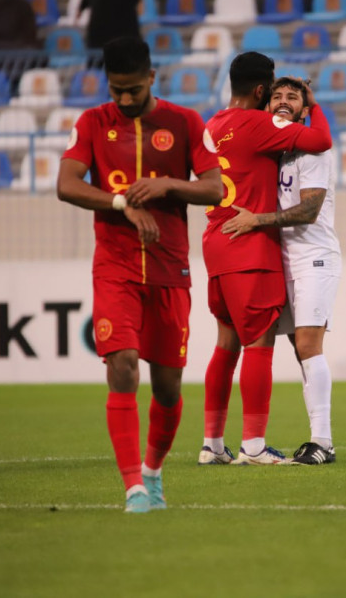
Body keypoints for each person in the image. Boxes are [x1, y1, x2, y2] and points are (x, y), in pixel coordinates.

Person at [56, 36, 223, 513]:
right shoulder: (92, 122)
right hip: (116, 267)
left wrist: (168, 184)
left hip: (171, 269)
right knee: (122, 362)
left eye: (133, 89)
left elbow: (215, 188)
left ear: (152, 77)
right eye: (116, 91)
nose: (124, 100)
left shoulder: (186, 122)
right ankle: (132, 487)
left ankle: (152, 474)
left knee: (168, 388)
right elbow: (66, 184)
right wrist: (119, 203)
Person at [198, 52, 333, 466]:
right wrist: (314, 102)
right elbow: (321, 140)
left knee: (226, 345)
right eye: (273, 92)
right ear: (261, 91)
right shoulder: (261, 124)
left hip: (215, 242)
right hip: (250, 242)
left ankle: (212, 445)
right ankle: (253, 446)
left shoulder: (211, 125)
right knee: (259, 344)